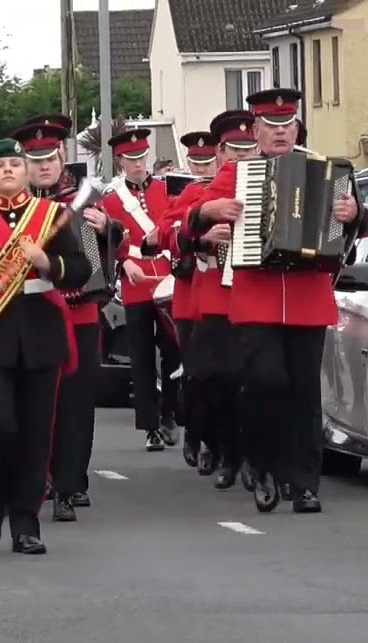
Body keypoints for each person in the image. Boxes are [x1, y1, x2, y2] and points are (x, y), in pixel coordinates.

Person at [185, 88, 368, 513]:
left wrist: (353, 215)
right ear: (255, 130)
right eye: (270, 126)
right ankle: (263, 465)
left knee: (305, 392)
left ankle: (304, 483)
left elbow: (361, 221)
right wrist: (211, 211)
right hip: (257, 297)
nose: (280, 133)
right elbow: (192, 216)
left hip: (307, 296)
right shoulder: (238, 173)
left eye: (286, 125)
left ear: (296, 128)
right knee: (267, 383)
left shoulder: (325, 168)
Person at [0, 138, 92, 554]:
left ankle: (26, 523)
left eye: (15, 163)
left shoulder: (53, 216)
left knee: (34, 435)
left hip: (41, 334)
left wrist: (48, 264)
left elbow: (80, 270)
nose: (9, 170)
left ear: (27, 172)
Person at [14, 118, 114, 522]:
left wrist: (108, 228)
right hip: (31, 315)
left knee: (75, 402)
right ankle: (42, 477)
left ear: (61, 159)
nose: (43, 167)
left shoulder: (84, 199)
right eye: (34, 160)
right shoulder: (13, 207)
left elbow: (106, 254)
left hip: (80, 313)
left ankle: (70, 484)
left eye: (49, 159)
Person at [181, 111, 258, 489]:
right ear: (222, 152)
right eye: (234, 149)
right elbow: (179, 228)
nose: (241, 156)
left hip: (260, 295)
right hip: (217, 295)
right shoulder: (211, 186)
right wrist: (205, 232)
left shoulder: (277, 176)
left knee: (258, 382)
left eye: (248, 148)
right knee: (218, 382)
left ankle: (255, 457)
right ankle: (227, 451)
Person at [102, 128, 180, 453]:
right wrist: (122, 266)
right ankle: (150, 426)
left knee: (174, 352)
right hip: (134, 286)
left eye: (141, 157)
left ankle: (170, 413)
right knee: (142, 358)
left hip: (165, 280)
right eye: (131, 159)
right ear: (120, 161)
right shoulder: (110, 200)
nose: (138, 164)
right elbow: (106, 244)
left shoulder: (167, 191)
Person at [156, 128, 223, 470]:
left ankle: (218, 440)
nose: (201, 170)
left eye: (207, 162)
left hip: (223, 291)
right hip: (190, 291)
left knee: (223, 376)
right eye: (196, 163)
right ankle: (197, 434)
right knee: (195, 374)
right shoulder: (188, 194)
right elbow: (165, 232)